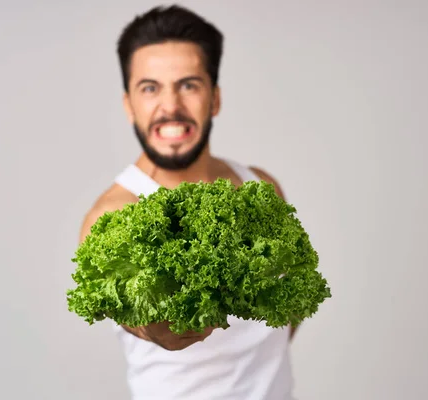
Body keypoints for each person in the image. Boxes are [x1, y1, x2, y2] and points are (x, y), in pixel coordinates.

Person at [78, 5, 298, 399]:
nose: (170, 106)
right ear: (129, 104)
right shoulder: (113, 216)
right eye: (150, 88)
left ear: (214, 98)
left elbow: (289, 308)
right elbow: (134, 318)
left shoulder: (259, 187)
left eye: (189, 85)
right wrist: (152, 326)